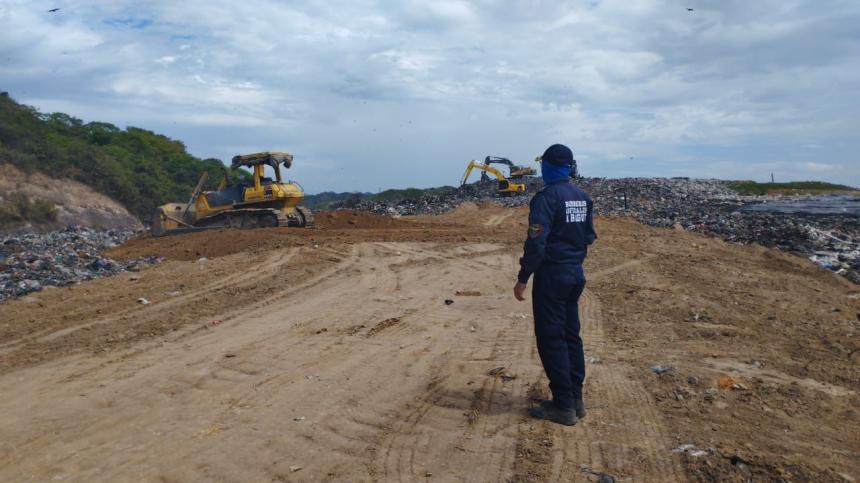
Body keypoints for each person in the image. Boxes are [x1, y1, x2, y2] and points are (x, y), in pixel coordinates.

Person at [513, 143, 596, 426]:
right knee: (571, 336)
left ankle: (563, 405)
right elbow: (588, 237)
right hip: (575, 274)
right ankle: (576, 400)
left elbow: (536, 244)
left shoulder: (546, 198)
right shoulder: (582, 197)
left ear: (548, 166)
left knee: (552, 339)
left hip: (552, 277)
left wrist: (523, 277)